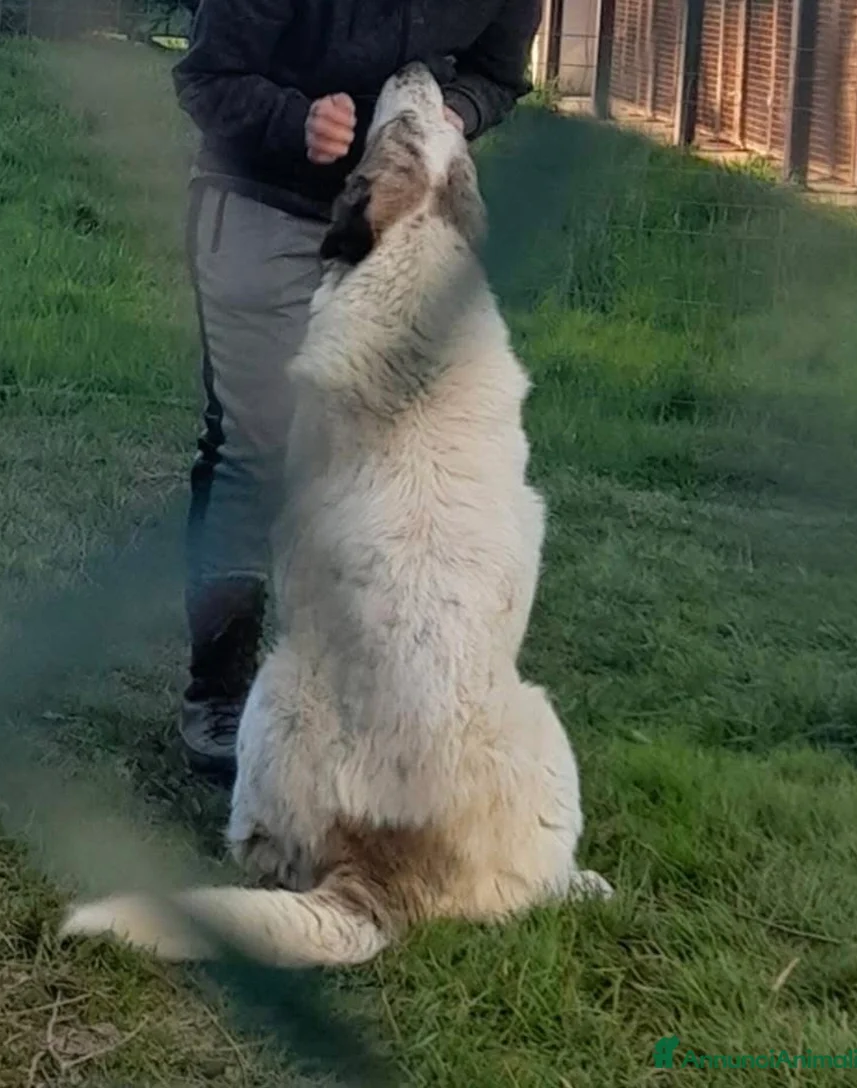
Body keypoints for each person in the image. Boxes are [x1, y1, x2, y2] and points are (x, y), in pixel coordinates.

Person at [172, 0, 543, 782]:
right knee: (258, 448)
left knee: (392, 466)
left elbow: (500, 78)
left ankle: (369, 689)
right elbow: (204, 75)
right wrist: (296, 121)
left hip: (400, 230)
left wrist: (453, 112)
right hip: (263, 201)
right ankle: (222, 694)